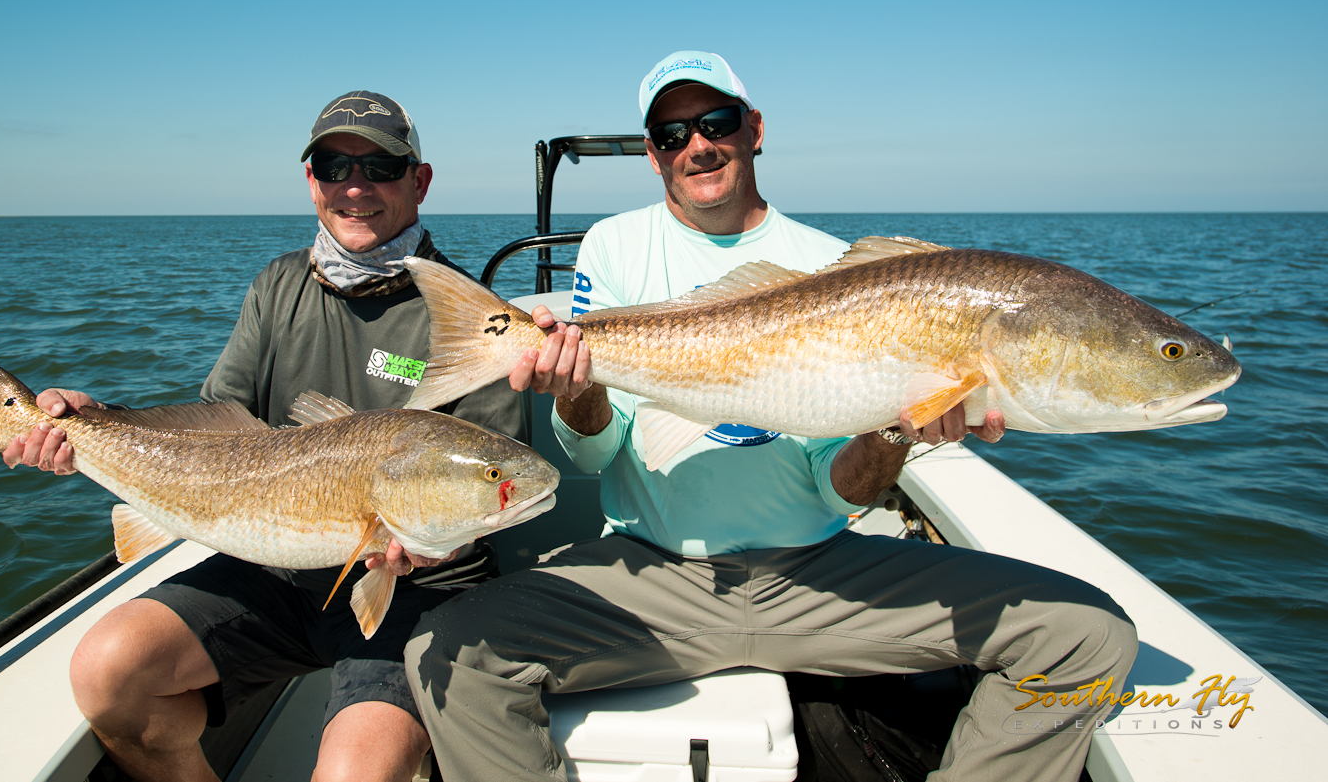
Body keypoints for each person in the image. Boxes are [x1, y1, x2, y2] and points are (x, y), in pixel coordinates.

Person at [406, 52, 1138, 782]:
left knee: (1089, 634)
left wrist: (894, 428)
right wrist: (574, 386)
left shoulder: (833, 264)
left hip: (819, 577)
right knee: (444, 648)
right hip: (656, 573)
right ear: (654, 155)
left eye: (717, 121)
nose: (697, 144)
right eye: (670, 132)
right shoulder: (615, 245)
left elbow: (840, 493)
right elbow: (597, 458)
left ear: (754, 128)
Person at [4, 91, 522, 782]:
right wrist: (97, 420)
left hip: (420, 587)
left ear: (419, 180)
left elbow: (497, 476)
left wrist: (443, 541)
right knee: (109, 671)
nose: (356, 186)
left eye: (383, 166)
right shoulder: (278, 285)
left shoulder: (474, 316)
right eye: (335, 165)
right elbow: (214, 420)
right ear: (312, 180)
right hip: (272, 570)